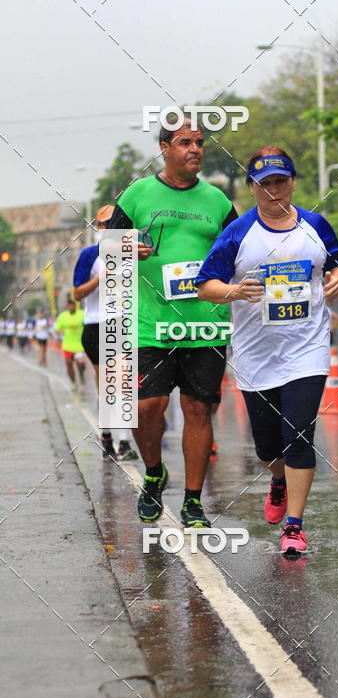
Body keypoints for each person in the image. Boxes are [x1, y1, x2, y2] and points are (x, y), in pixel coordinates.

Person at [196, 146, 338, 557]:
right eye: (265, 184)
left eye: (281, 181)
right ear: (252, 188)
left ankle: (295, 525)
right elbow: (204, 284)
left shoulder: (315, 225)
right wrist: (234, 291)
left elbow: (337, 262)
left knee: (299, 434)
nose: (274, 190)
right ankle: (277, 479)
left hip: (307, 347)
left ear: (293, 182)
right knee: (267, 445)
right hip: (255, 353)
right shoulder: (238, 233)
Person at [107, 116, 238, 528]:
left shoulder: (217, 201)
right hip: (150, 323)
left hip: (205, 324)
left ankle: (194, 501)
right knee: (148, 406)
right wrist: (129, 250)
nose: (195, 149)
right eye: (185, 142)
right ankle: (153, 473)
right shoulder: (137, 194)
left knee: (198, 410)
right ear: (165, 148)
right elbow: (109, 253)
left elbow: (239, 252)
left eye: (199, 142)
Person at [73, 205, 139, 461]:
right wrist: (101, 279)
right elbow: (77, 293)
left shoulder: (132, 252)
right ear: (97, 228)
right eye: (104, 224)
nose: (110, 228)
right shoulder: (90, 254)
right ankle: (110, 436)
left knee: (122, 385)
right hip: (97, 325)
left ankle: (122, 442)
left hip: (124, 323)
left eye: (115, 223)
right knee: (108, 387)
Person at [54, 299, 86, 390]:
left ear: (75, 306)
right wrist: (62, 332)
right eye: (70, 305)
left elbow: (87, 325)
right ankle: (73, 382)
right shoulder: (63, 316)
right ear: (68, 307)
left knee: (80, 364)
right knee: (69, 363)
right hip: (67, 345)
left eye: (73, 305)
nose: (72, 307)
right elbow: (57, 329)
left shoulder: (82, 314)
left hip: (80, 344)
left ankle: (81, 374)